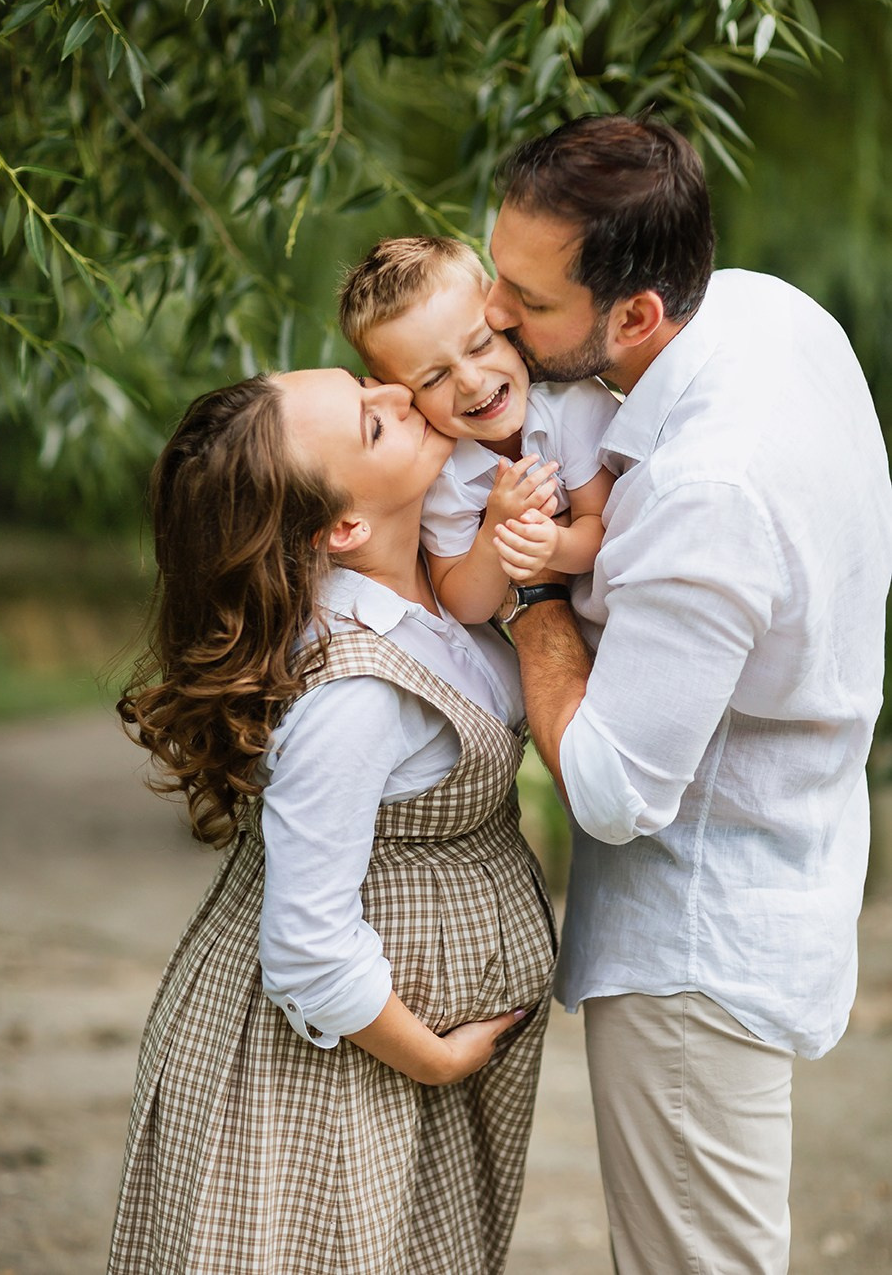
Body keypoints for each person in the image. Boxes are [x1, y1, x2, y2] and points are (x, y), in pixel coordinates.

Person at [483, 113, 892, 1274]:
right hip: (782, 859)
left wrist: (530, 607)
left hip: (695, 947)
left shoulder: (710, 486)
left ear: (638, 313)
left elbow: (611, 790)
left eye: (529, 299)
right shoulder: (763, 308)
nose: (497, 316)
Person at [106, 368, 557, 1275]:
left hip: (398, 1057)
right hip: (335, 1068)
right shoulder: (352, 691)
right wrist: (429, 1058)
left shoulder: (438, 594)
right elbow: (307, 944)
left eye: (364, 381)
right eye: (372, 422)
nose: (398, 393)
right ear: (344, 527)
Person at [338, 235, 620, 623]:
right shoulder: (442, 476)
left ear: (505, 325)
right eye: (435, 378)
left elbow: (603, 527)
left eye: (480, 345)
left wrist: (556, 545)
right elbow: (467, 605)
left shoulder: (570, 405)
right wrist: (494, 533)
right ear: (404, 397)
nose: (470, 382)